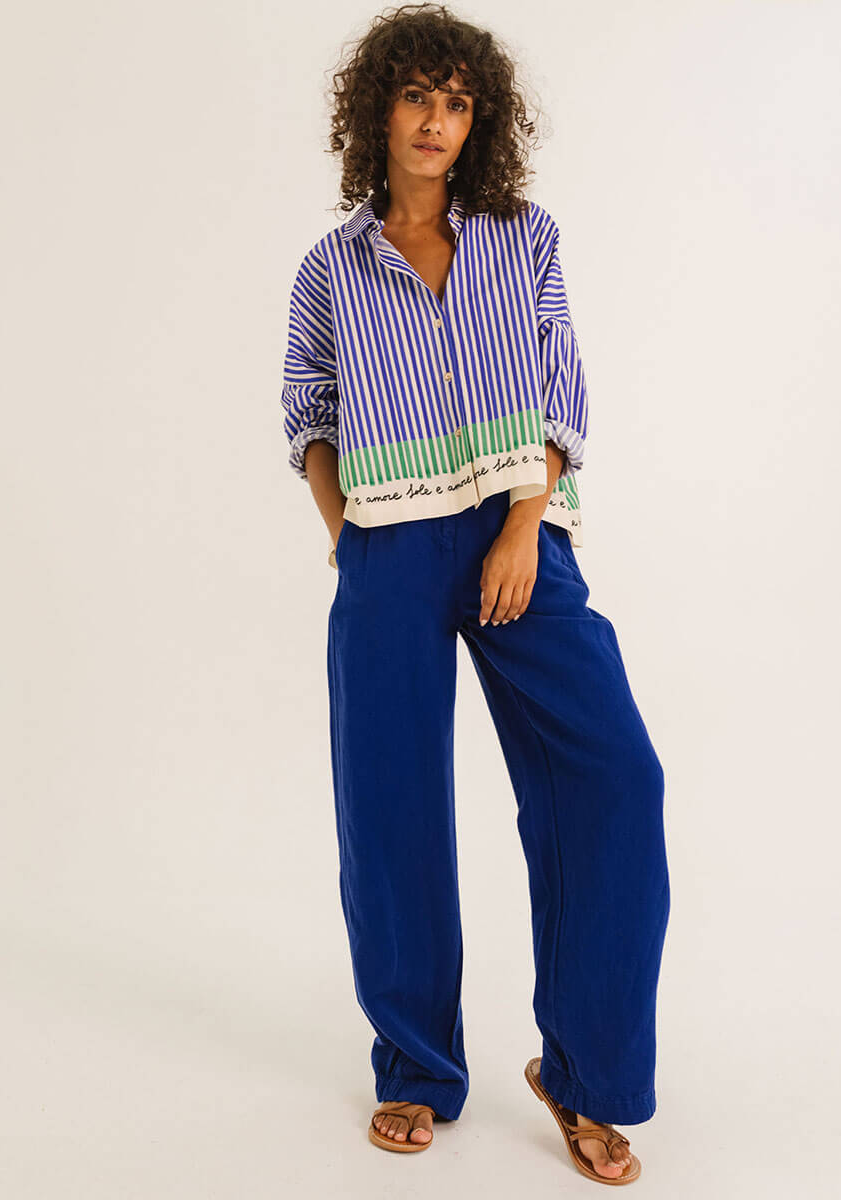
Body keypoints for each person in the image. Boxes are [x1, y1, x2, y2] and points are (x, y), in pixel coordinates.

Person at [280, 4, 669, 1184]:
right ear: (378, 109)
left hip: (518, 535)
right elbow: (310, 411)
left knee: (613, 776)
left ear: (477, 120)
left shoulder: (523, 237)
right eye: (418, 96)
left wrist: (520, 523)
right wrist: (350, 535)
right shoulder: (330, 269)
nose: (436, 120)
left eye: (456, 102)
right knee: (391, 805)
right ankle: (414, 1064)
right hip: (386, 550)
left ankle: (586, 1074)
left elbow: (561, 386)